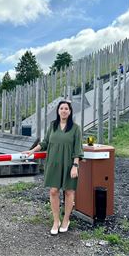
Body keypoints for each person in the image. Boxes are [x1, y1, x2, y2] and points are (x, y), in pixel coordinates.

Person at [24, 100, 83, 235]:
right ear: (58, 111)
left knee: (69, 192)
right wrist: (32, 151)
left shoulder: (75, 128)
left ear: (70, 111)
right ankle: (56, 221)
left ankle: (66, 220)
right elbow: (44, 143)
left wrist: (75, 166)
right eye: (61, 108)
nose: (63, 110)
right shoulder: (52, 126)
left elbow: (77, 149)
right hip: (53, 163)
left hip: (69, 164)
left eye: (66, 108)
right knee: (53, 191)